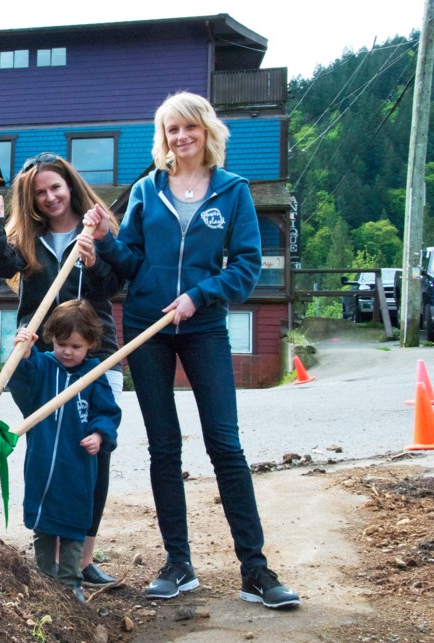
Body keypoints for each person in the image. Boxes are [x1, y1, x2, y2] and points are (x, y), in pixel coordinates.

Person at [87, 92, 301, 609]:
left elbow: (246, 266)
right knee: (164, 446)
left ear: (207, 132)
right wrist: (103, 238)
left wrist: (198, 296)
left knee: (225, 444)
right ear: (163, 139)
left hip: (203, 326)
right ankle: (178, 563)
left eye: (190, 128)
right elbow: (133, 263)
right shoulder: (145, 190)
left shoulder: (233, 193)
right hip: (146, 328)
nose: (181, 138)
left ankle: (255, 569)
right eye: (172, 130)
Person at [0, 154, 125, 586]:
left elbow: (117, 284)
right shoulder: (28, 238)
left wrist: (94, 261)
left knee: (92, 451)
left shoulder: (96, 229)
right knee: (47, 445)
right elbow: (0, 265)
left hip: (95, 355)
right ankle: (46, 549)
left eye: (55, 188)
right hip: (39, 358)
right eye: (40, 192)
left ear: (70, 186)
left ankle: (83, 559)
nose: (49, 198)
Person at [8, 299, 121, 603]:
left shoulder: (95, 374)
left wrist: (99, 434)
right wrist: (23, 355)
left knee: (72, 525)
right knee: (44, 524)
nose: (67, 352)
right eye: (61, 343)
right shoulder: (44, 365)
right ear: (51, 339)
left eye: (76, 346)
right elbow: (22, 386)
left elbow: (107, 412)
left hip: (78, 467)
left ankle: (71, 582)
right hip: (43, 463)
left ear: (91, 344)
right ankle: (45, 579)